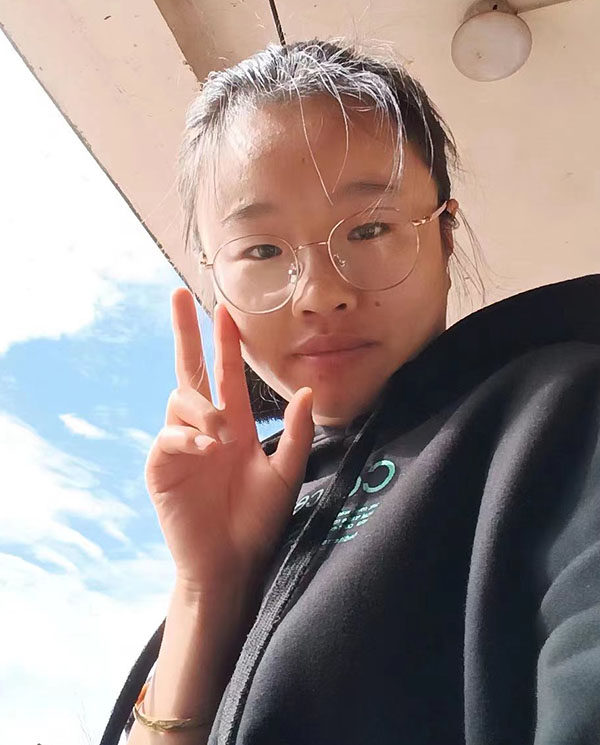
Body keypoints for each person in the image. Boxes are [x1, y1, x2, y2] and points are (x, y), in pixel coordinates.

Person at [100, 38, 600, 745]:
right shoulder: (249, 492)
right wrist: (207, 587)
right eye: (262, 250)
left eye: (368, 229)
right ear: (214, 277)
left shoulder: (565, 414)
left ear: (445, 235)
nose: (321, 293)